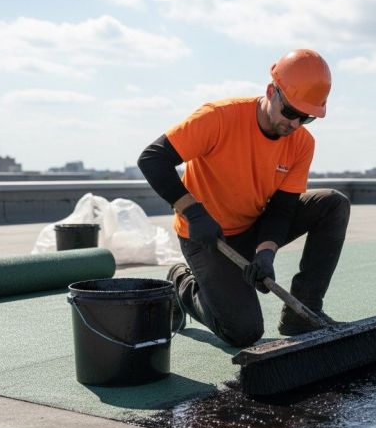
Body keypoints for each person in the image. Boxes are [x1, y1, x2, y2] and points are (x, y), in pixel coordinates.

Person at [138, 49, 350, 348]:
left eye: (306, 118)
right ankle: (181, 283)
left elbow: (282, 208)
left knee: (333, 203)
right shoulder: (219, 118)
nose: (294, 124)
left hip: (253, 227)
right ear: (270, 91)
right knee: (243, 332)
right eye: (290, 112)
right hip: (207, 236)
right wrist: (192, 212)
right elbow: (152, 159)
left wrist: (266, 252)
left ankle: (302, 314)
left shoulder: (301, 143)